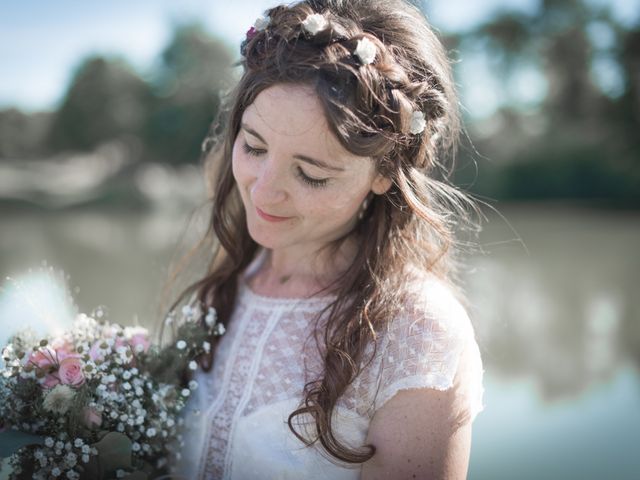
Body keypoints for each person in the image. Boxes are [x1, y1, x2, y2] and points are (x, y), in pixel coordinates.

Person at [168, 0, 485, 478]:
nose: (263, 189)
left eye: (311, 173)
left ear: (384, 174)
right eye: (253, 146)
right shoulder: (233, 277)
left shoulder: (418, 334)